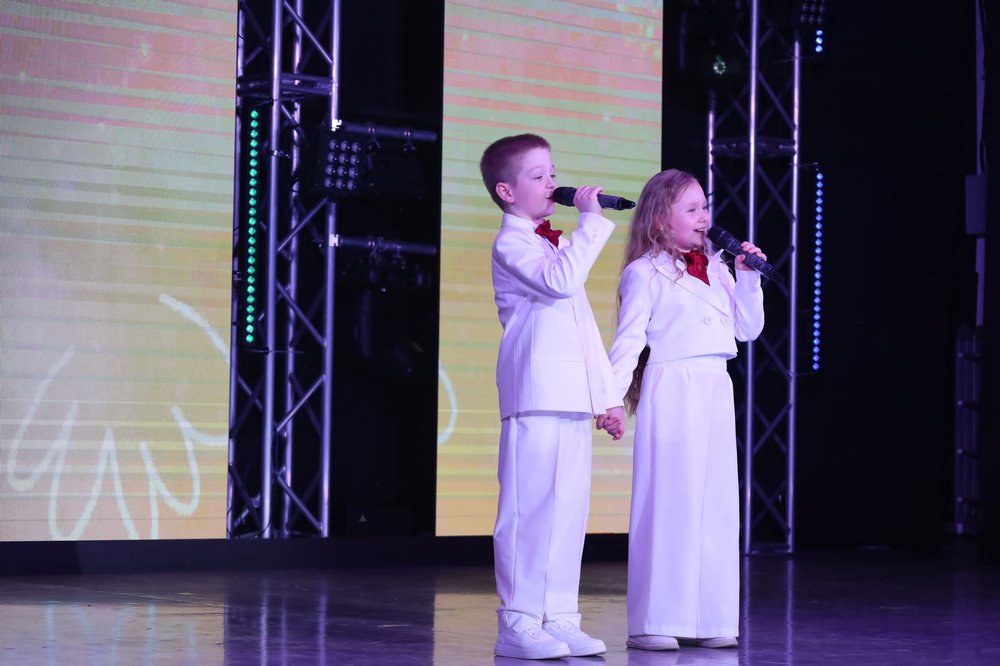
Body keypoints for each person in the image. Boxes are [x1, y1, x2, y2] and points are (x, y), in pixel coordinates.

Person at [608, 169, 766, 651]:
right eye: (692, 209)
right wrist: (610, 397)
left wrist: (747, 276)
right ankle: (654, 619)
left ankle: (711, 616)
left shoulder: (718, 267)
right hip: (673, 385)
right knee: (670, 499)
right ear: (660, 219)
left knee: (715, 503)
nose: (704, 217)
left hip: (715, 386)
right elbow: (629, 340)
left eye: (705, 207)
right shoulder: (644, 272)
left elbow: (747, 330)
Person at [481, 133, 625, 660]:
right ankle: (518, 621)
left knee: (567, 512)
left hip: (571, 393)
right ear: (507, 191)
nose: (552, 183)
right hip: (535, 391)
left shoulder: (555, 244)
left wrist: (606, 395)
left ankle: (560, 616)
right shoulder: (512, 243)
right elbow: (560, 284)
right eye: (538, 176)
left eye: (553, 173)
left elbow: (582, 325)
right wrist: (591, 223)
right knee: (528, 512)